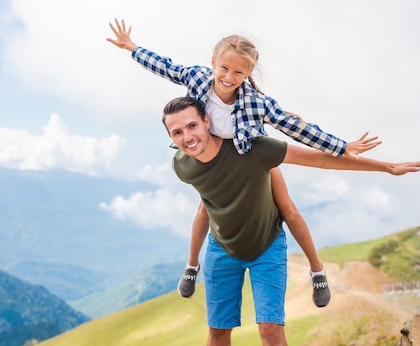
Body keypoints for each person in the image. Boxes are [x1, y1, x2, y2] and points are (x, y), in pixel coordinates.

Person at [107, 18, 380, 307]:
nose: (228, 76)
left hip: (249, 155)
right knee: (206, 208)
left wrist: (341, 146)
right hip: (210, 157)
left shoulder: (256, 103)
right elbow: (165, 67)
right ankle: (191, 266)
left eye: (238, 71)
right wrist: (132, 48)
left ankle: (318, 271)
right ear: (213, 62)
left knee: (287, 209)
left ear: (248, 72)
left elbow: (296, 128)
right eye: (224, 68)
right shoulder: (198, 78)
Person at [162, 96, 420, 346]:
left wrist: (386, 167)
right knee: (218, 332)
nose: (188, 137)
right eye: (177, 132)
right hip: (222, 249)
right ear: (171, 138)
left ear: (207, 121)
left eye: (192, 126)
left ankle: (318, 271)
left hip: (266, 247)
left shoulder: (253, 150)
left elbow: (321, 161)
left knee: (270, 329)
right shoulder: (183, 166)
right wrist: (192, 263)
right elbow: (206, 205)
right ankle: (192, 268)